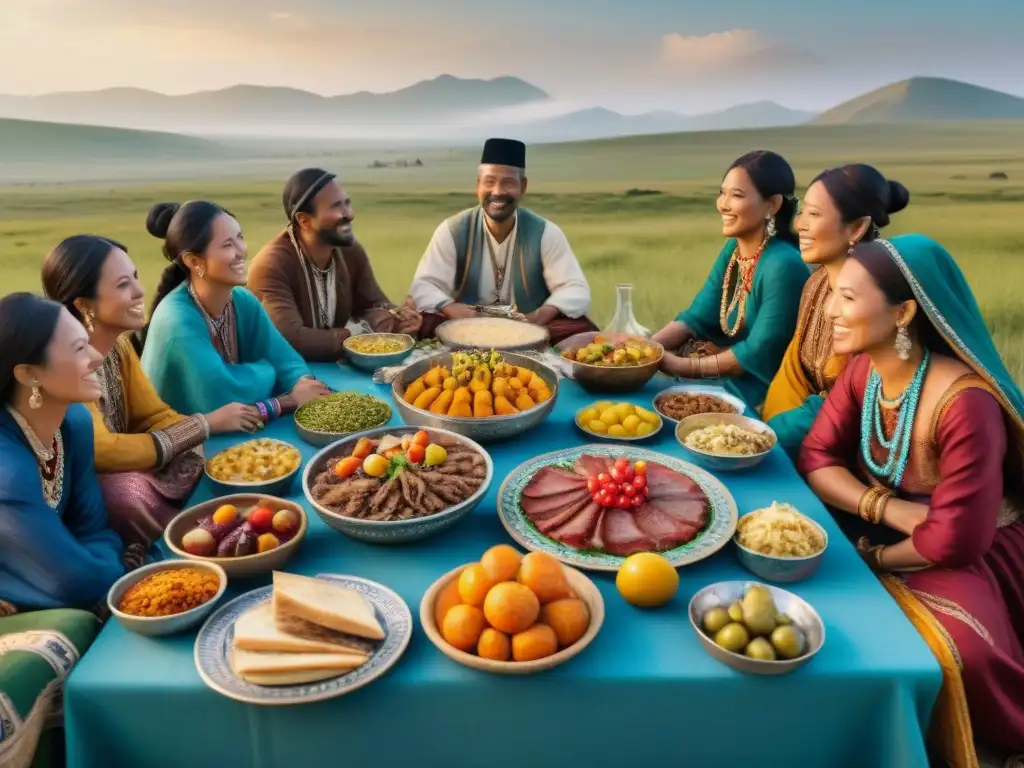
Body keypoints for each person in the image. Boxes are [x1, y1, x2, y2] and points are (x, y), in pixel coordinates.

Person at [798, 235, 1024, 767]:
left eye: (849, 299)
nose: (831, 310)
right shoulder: (865, 370)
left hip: (976, 549)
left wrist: (871, 560)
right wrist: (888, 510)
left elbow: (956, 539)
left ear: (902, 311)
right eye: (833, 293)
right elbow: (816, 456)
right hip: (905, 528)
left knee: (962, 651)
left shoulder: (964, 404)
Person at [42, 235, 263, 559]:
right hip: (78, 493)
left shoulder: (117, 345)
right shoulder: (63, 361)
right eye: (122, 285)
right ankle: (194, 546)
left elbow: (153, 415)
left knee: (198, 454)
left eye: (134, 277)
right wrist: (205, 424)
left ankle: (209, 531)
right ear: (84, 304)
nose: (139, 291)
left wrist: (195, 432)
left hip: (130, 464)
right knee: (128, 494)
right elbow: (101, 451)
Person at [0, 293, 125, 768]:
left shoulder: (71, 422)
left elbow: (95, 528)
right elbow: (75, 583)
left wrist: (95, 555)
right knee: (70, 630)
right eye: (77, 349)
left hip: (50, 573)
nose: (97, 355)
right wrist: (102, 559)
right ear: (29, 375)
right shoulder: (6, 469)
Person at [762, 164, 910, 458]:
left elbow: (854, 401)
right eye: (802, 212)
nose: (799, 225)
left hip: (858, 450)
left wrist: (766, 436)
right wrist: (767, 427)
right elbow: (794, 370)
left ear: (857, 228)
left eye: (814, 215)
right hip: (800, 429)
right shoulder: (816, 284)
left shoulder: (875, 300)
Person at [136, 200, 330, 416]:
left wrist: (301, 383)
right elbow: (221, 396)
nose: (241, 252)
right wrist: (286, 394)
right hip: (181, 441)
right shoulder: (176, 321)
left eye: (240, 238)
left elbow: (284, 358)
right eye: (227, 245)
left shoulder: (241, 300)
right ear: (194, 261)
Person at [652, 151, 809, 411]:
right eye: (721, 193)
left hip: (759, 387)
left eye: (736, 195)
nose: (723, 204)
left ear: (772, 205)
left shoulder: (784, 265)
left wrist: (678, 366)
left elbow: (756, 353)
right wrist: (647, 349)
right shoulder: (733, 251)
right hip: (721, 372)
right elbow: (696, 317)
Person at [408, 137, 598, 344]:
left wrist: (540, 316)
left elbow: (575, 289)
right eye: (489, 182)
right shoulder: (452, 230)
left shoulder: (546, 232)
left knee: (582, 327)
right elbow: (424, 285)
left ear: (523, 187)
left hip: (527, 327)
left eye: (508, 183)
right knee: (423, 321)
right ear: (478, 186)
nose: (497, 192)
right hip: (467, 327)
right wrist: (451, 309)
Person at [248, 168, 423, 361]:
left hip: (334, 367)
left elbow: (374, 304)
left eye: (347, 203)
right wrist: (361, 332)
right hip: (287, 377)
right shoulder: (271, 265)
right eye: (335, 207)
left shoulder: (350, 251)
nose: (349, 214)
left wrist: (400, 319)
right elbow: (290, 339)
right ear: (304, 220)